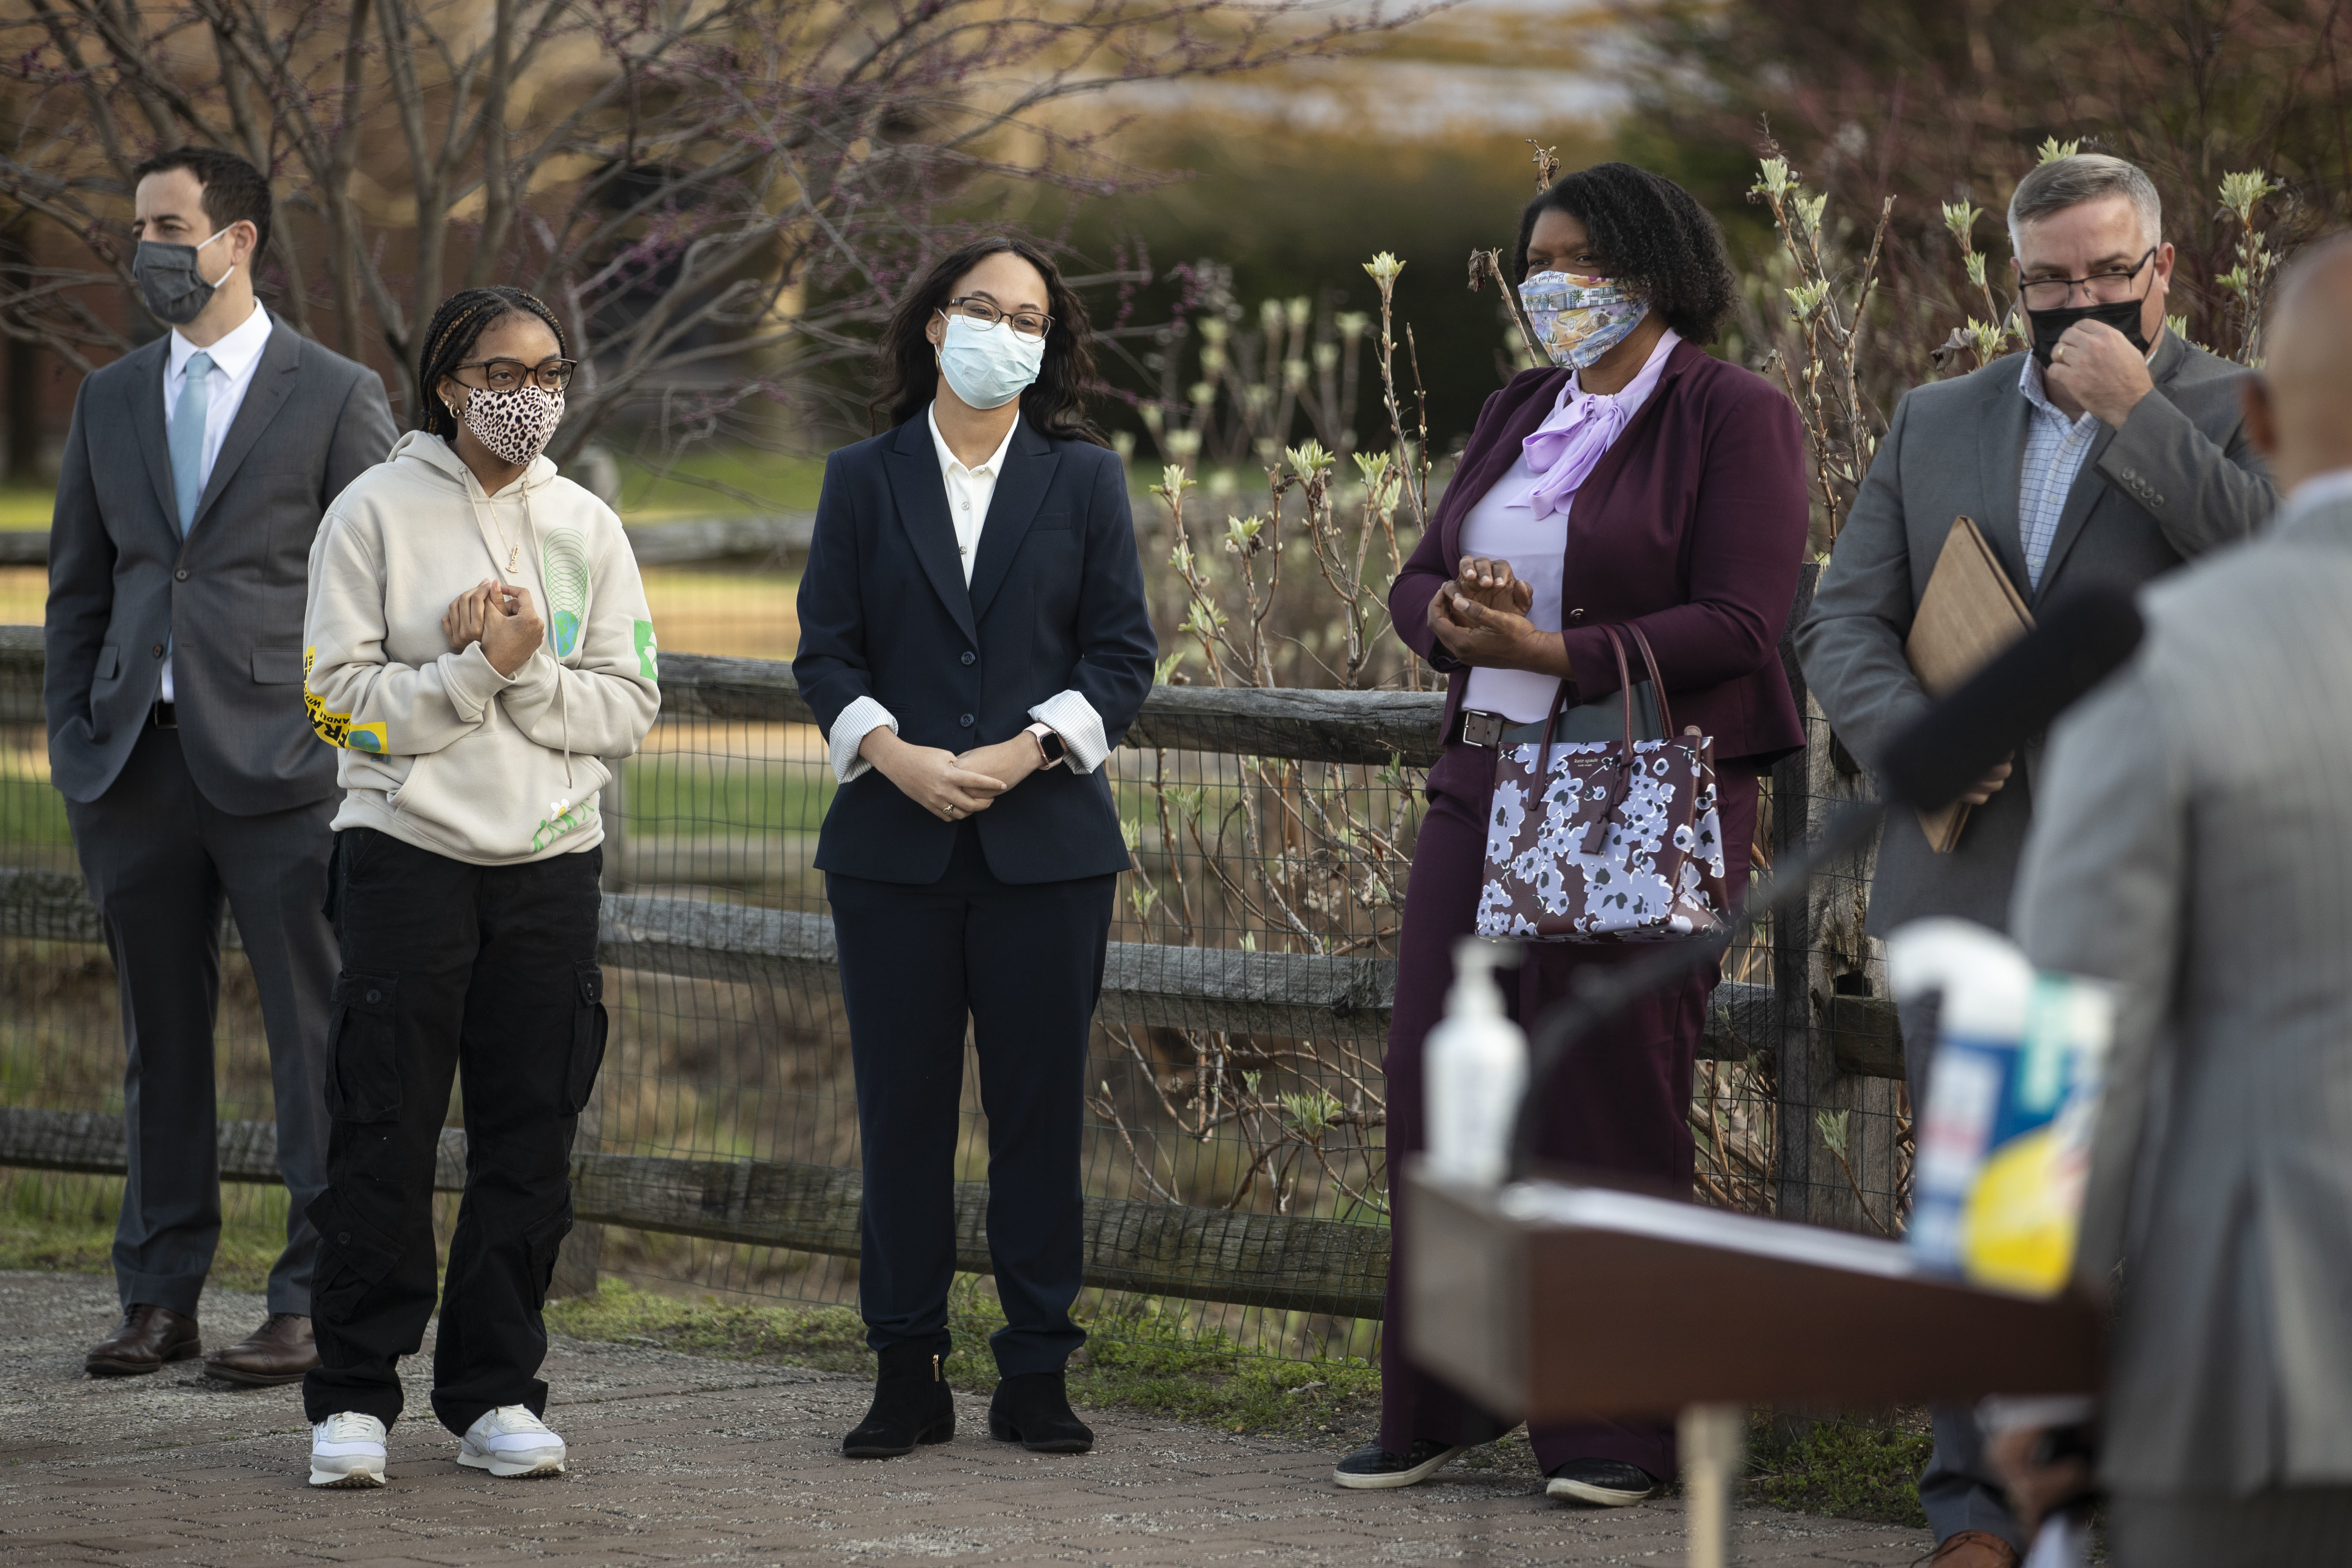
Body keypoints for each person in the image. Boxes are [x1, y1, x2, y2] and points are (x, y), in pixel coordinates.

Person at [1795, 152, 2275, 1567]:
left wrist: (2139, 420)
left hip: (2181, 884)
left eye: (2106, 274)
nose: (2076, 301)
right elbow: (1840, 619)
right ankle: (1981, 1513)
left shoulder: (2246, 409)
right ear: (2009, 280)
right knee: (1991, 1227)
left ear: (2162, 270)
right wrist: (1916, 736)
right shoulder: (1933, 416)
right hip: (1975, 879)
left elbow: (2285, 579)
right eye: (2047, 281)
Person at [1334, 163, 1810, 1505]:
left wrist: (1555, 650)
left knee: (1608, 1088)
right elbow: (1418, 575)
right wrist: (1452, 617)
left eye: (1582, 259)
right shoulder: (1517, 408)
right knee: (1437, 1083)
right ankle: (1443, 1397)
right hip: (1482, 780)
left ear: (1656, 268)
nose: (1554, 284)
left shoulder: (1734, 413)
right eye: (1538, 261)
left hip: (1632, 789)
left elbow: (1741, 622)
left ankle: (1614, 1425)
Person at [1998, 231, 2352, 1566]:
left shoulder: (2163, 663)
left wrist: (2018, 1372)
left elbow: (2059, 1044)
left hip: (2270, 1375)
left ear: (2256, 417)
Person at [792, 236, 1156, 1460]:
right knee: (900, 1117)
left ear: (1047, 347)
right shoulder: (861, 476)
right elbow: (825, 652)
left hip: (1047, 851)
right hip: (888, 851)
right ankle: (907, 1373)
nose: (1005, 330)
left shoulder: (1085, 479)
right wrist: (891, 753)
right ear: (936, 324)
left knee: (1039, 1117)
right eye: (982, 308)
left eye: (1028, 318)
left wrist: (1024, 751)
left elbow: (1121, 656)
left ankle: (1036, 1372)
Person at [294, 287, 659, 1487]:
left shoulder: (587, 527)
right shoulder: (370, 513)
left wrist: (521, 665)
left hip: (551, 864)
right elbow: (333, 704)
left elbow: (629, 705)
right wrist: (464, 672)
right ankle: (354, 1398)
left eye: (550, 372)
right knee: (384, 1129)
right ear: (448, 383)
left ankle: (496, 1392)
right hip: (406, 856)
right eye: (503, 372)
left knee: (530, 1137)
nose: (530, 395)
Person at [44, 146, 397, 1385]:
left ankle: (310, 1302)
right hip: (132, 771)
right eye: (138, 226)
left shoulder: (338, 394)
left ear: (237, 240)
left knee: (314, 1044)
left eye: (168, 226)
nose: (145, 248)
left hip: (286, 772)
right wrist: (74, 737)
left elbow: (384, 589)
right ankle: (159, 1297)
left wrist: (335, 743)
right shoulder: (109, 398)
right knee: (158, 1044)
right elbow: (80, 589)